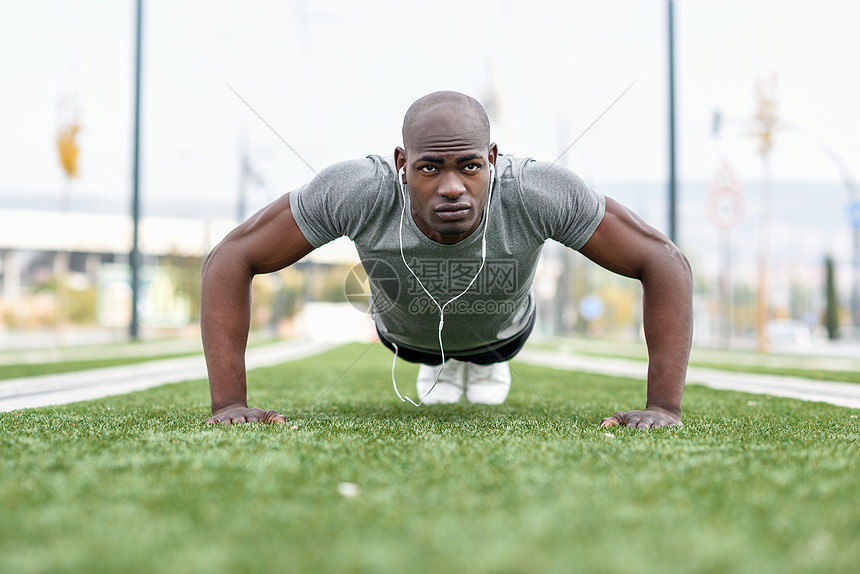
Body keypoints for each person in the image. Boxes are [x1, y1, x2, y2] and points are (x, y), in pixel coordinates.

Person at [201, 91, 693, 429]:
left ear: (493, 159)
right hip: (406, 340)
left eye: (470, 166)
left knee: (484, 356)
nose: (452, 187)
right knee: (428, 351)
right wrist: (229, 403)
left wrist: (663, 407)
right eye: (430, 168)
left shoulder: (538, 191)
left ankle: (476, 365)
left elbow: (665, 261)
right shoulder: (358, 190)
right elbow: (230, 258)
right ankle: (441, 363)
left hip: (502, 338)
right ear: (401, 164)